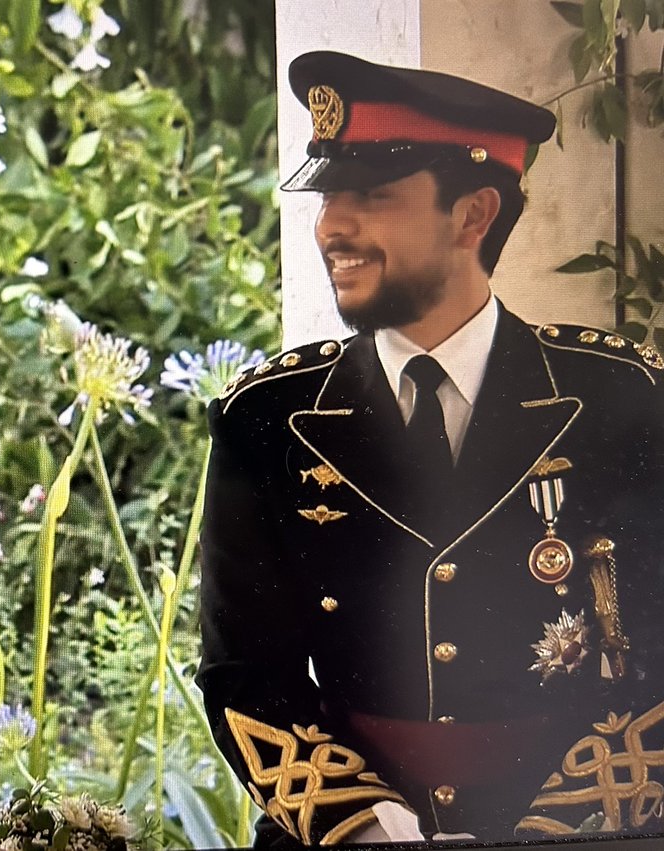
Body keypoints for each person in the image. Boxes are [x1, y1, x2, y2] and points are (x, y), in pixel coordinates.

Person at [197, 50, 664, 846]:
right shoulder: (268, 418)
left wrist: (545, 830)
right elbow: (245, 678)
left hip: (584, 825)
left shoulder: (626, 398)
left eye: (371, 196)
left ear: (474, 215)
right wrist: (372, 829)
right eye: (327, 197)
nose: (331, 226)